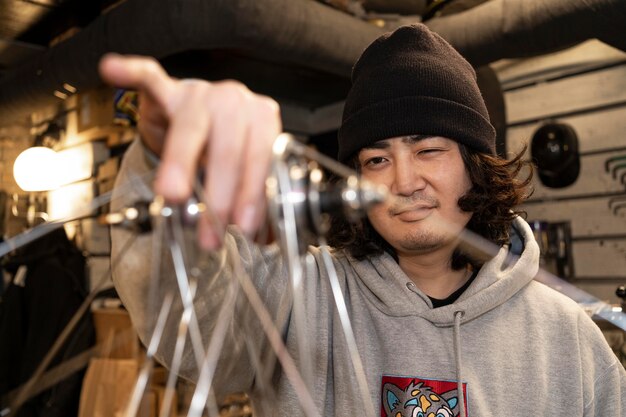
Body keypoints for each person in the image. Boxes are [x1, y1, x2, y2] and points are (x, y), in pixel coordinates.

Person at [102, 24, 626, 416]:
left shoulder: (569, 338)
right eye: (376, 159)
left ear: (475, 165)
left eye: (428, 149)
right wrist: (162, 162)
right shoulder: (298, 299)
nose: (402, 181)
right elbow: (188, 314)